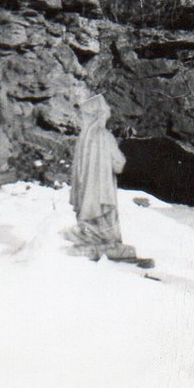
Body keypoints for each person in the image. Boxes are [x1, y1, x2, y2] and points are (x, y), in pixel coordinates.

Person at [64, 94, 137, 262]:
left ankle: (90, 238)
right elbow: (118, 164)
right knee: (107, 225)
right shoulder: (105, 136)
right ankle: (107, 243)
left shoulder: (82, 140)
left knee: (89, 220)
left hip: (85, 193)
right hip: (103, 193)